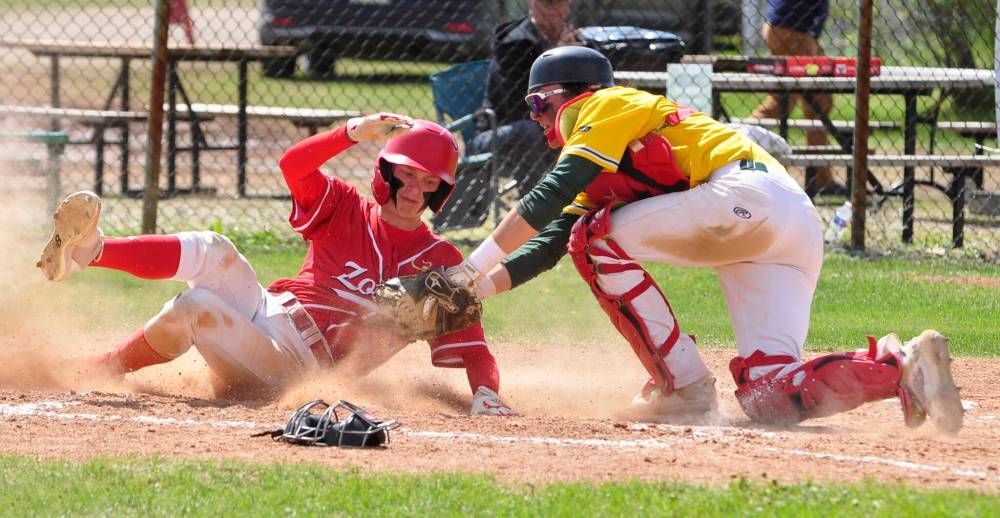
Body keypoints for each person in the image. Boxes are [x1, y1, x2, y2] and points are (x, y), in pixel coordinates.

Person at [390, 46, 963, 433]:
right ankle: (900, 367)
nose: (540, 118)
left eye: (540, 103)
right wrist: (472, 293)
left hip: (744, 198)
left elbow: (549, 197)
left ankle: (682, 386)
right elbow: (549, 243)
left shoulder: (601, 105)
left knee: (594, 240)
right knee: (769, 397)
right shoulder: (606, 155)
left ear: (574, 93)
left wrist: (466, 270)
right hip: (786, 228)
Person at [36, 114, 513, 416]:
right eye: (407, 174)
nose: (413, 190)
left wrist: (486, 394)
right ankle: (88, 253)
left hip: (299, 365)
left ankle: (108, 364)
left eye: (428, 182)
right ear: (385, 171)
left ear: (441, 191)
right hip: (268, 309)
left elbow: (475, 350)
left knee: (193, 307)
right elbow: (293, 166)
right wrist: (350, 132)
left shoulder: (440, 262)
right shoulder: (345, 206)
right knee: (215, 247)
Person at [470, 0, 580, 192]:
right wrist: (557, 58)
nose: (554, 10)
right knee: (528, 129)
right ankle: (538, 204)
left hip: (561, 125)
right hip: (500, 131)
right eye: (547, 3)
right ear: (531, 3)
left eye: (559, 3)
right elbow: (519, 105)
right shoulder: (512, 42)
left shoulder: (578, 41)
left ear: (569, 4)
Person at [751, 0, 846, 196]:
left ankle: (821, 176)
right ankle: (740, 136)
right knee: (785, 101)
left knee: (818, 102)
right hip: (791, 30)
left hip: (797, 31)